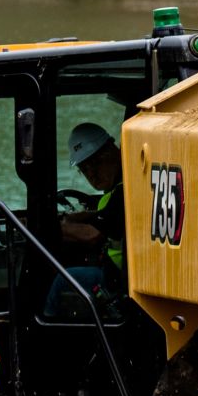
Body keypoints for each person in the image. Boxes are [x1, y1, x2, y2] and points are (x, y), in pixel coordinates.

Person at [48, 122, 124, 319]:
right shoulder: (117, 189)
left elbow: (93, 235)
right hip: (116, 273)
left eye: (94, 165)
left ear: (110, 152)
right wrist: (71, 218)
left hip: (117, 281)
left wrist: (50, 227)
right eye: (84, 169)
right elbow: (104, 214)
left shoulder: (124, 192)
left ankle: (40, 336)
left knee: (61, 281)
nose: (92, 175)